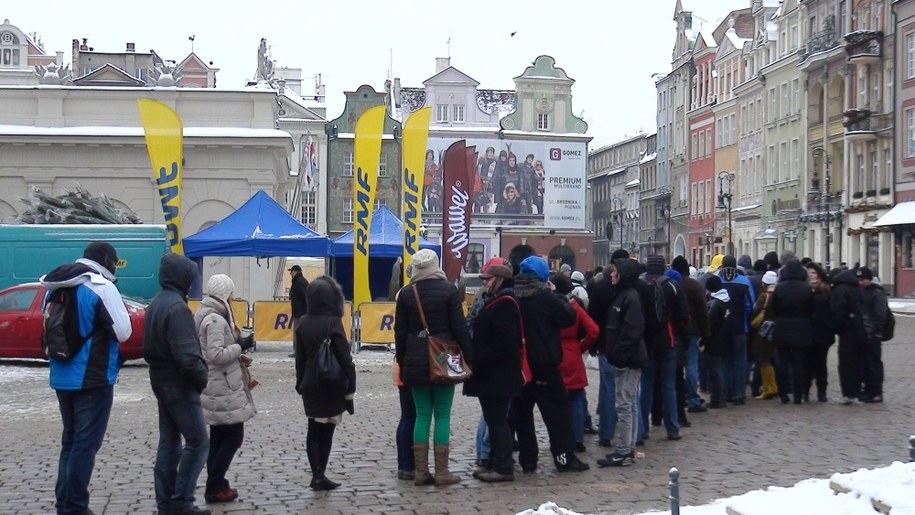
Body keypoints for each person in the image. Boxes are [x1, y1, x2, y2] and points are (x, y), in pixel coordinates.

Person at [40, 241, 132, 515]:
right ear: (107, 260)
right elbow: (124, 331)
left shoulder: (56, 286)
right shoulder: (100, 287)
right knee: (85, 445)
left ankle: (64, 503)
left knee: (70, 441)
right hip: (93, 377)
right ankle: (75, 507)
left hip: (62, 374)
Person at [394, 249, 471, 486]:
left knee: (422, 415)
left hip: (415, 362)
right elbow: (459, 328)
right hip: (442, 359)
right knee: (443, 415)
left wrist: (403, 360)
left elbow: (400, 332)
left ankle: (420, 472)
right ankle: (442, 472)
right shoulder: (448, 290)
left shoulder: (406, 293)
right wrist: (469, 356)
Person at [143, 253, 211, 515]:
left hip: (161, 380)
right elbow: (186, 355)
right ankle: (181, 501)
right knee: (198, 442)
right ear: (182, 278)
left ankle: (166, 503)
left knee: (169, 443)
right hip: (178, 383)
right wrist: (201, 377)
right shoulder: (177, 308)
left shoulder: (157, 303)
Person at [512, 256, 588, 473]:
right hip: (546, 363)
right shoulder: (547, 298)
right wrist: (557, 293)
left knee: (522, 415)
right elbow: (568, 317)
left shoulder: (514, 297)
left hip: (522, 366)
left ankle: (528, 460)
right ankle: (564, 458)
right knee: (557, 414)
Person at [194, 274, 256, 503]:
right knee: (232, 437)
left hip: (216, 383)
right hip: (221, 385)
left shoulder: (206, 313)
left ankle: (218, 483)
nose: (232, 296)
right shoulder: (216, 319)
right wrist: (240, 346)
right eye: (230, 292)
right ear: (223, 293)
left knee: (220, 436)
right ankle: (214, 484)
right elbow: (216, 354)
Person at [294, 275, 356, 490]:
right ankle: (320, 475)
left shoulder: (302, 323)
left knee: (313, 429)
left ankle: (317, 473)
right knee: (327, 430)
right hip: (331, 382)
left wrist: (299, 382)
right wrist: (351, 385)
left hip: (310, 382)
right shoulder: (333, 322)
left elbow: (299, 358)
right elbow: (345, 358)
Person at [463, 257, 521, 482]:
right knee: (495, 419)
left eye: (487, 279)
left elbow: (505, 342)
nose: (484, 283)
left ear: (498, 280)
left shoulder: (505, 303)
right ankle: (497, 463)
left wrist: (479, 357)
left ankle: (504, 467)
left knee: (498, 422)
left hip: (497, 374)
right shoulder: (496, 300)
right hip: (492, 373)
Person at [596, 258, 647, 467]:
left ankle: (624, 450)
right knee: (630, 403)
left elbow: (631, 330)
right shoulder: (624, 295)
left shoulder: (630, 297)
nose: (611, 275)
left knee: (625, 404)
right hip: (629, 356)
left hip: (629, 358)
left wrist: (619, 355)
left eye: (615, 272)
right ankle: (629, 447)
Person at [639, 255, 688, 442]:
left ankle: (643, 429)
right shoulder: (673, 286)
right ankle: (672, 428)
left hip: (647, 342)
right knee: (669, 386)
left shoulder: (640, 287)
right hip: (669, 340)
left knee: (646, 386)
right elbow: (684, 315)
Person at [550, 274, 599, 453]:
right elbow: (593, 330)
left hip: (554, 354)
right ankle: (578, 438)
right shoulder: (574, 306)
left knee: (556, 402)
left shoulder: (550, 306)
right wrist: (580, 347)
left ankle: (559, 439)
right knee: (577, 398)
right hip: (573, 354)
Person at [771, 260, 814, 404]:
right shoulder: (806, 289)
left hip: (782, 326)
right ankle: (798, 394)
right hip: (801, 327)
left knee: (782, 363)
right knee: (799, 363)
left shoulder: (779, 288)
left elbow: (773, 309)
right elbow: (811, 310)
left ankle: (783, 393)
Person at [672, 256, 710, 414]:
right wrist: (706, 332)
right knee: (691, 365)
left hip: (675, 331)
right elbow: (702, 311)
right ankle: (694, 399)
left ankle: (679, 397)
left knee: (676, 367)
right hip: (693, 330)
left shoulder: (672, 284)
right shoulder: (694, 285)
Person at [717, 255, 756, 405]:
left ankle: (727, 392)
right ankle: (739, 394)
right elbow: (750, 304)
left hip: (722, 327)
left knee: (725, 361)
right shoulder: (744, 281)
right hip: (740, 326)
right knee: (740, 361)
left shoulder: (717, 281)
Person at [830, 268, 868, 404]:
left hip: (847, 332)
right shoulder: (858, 289)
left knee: (846, 363)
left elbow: (836, 312)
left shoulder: (840, 290)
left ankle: (848, 394)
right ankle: (856, 392)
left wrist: (838, 328)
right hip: (861, 331)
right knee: (858, 362)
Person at [804, 262, 834, 402]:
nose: (811, 275)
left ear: (820, 275)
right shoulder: (805, 290)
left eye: (814, 272)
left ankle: (822, 392)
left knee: (821, 364)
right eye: (809, 272)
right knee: (807, 364)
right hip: (808, 333)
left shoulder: (826, 291)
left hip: (823, 334)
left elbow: (832, 312)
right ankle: (805, 391)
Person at [857, 267, 887, 403]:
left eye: (863, 280)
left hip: (874, 335)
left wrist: (875, 331)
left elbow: (880, 316)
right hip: (863, 334)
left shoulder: (877, 293)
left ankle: (876, 391)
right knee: (864, 363)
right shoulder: (861, 292)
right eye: (858, 280)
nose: (860, 282)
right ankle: (868, 389)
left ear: (869, 279)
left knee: (874, 363)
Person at [750, 271, 779, 401]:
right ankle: (772, 386)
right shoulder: (779, 294)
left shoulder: (765, 296)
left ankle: (770, 388)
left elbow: (756, 312)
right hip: (776, 329)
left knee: (763, 360)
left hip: (764, 331)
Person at [703, 275, 731, 409]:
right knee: (720, 369)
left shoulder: (715, 304)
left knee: (715, 371)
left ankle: (717, 398)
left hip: (715, 340)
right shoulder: (726, 299)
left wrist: (704, 338)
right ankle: (720, 396)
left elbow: (709, 324)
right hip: (725, 338)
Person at [289, 265, 309, 357]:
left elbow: (305, 296)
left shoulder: (299, 282)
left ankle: (298, 351)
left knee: (298, 332)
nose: (290, 273)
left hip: (300, 313)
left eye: (291, 271)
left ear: (296, 272)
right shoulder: (299, 281)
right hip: (301, 312)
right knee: (299, 332)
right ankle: (299, 351)